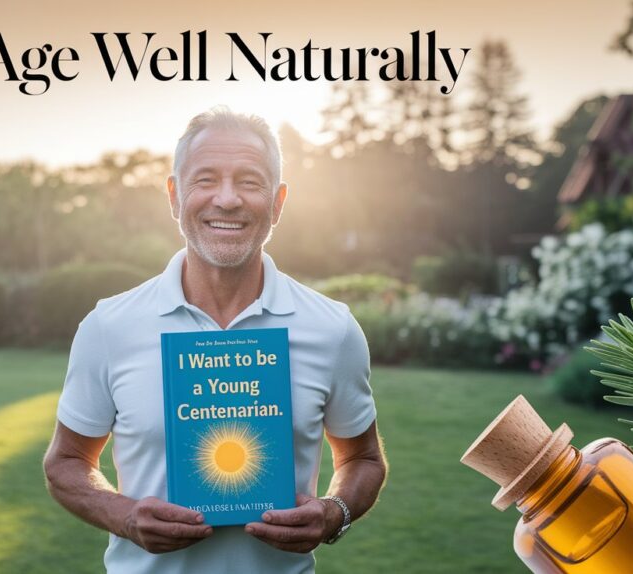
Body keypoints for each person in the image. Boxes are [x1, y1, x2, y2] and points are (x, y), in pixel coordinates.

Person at [43, 106, 387, 573]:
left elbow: (363, 458)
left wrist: (334, 513)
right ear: (174, 194)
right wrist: (124, 516)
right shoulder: (109, 327)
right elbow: (65, 461)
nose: (227, 200)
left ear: (278, 202)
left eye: (250, 181)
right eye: (205, 179)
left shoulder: (332, 328)